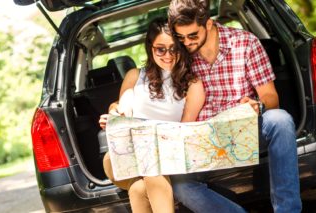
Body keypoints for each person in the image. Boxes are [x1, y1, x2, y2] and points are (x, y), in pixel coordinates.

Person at [167, 0, 302, 212]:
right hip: (205, 142)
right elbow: (146, 81)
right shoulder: (180, 56)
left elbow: (270, 97)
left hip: (244, 131)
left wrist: (257, 105)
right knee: (179, 183)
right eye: (181, 37)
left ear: (209, 24)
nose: (187, 42)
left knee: (281, 120)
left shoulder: (245, 43)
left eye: (193, 35)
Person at [99, 17, 205, 213]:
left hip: (170, 158)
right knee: (147, 165)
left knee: (141, 186)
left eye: (174, 48)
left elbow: (185, 130)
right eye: (160, 49)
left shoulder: (193, 84)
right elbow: (123, 107)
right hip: (124, 159)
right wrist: (114, 115)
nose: (168, 55)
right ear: (150, 48)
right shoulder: (135, 76)